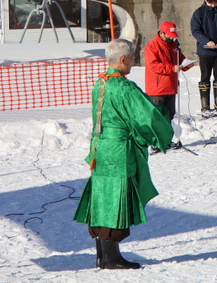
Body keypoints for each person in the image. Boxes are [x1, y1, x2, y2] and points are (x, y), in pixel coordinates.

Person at [74, 39, 174, 270]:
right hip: (119, 151)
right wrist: (162, 124)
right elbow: (146, 117)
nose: (133, 62)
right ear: (122, 59)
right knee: (114, 199)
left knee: (102, 197)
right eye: (131, 58)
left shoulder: (100, 84)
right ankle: (111, 257)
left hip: (100, 148)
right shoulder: (124, 88)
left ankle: (102, 254)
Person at [143, 21, 193, 148]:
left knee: (169, 115)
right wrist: (172, 68)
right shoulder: (152, 46)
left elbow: (179, 58)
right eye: (169, 35)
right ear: (161, 33)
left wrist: (186, 64)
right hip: (157, 88)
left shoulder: (174, 44)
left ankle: (166, 140)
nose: (171, 37)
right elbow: (153, 65)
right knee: (157, 116)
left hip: (171, 86)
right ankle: (156, 143)